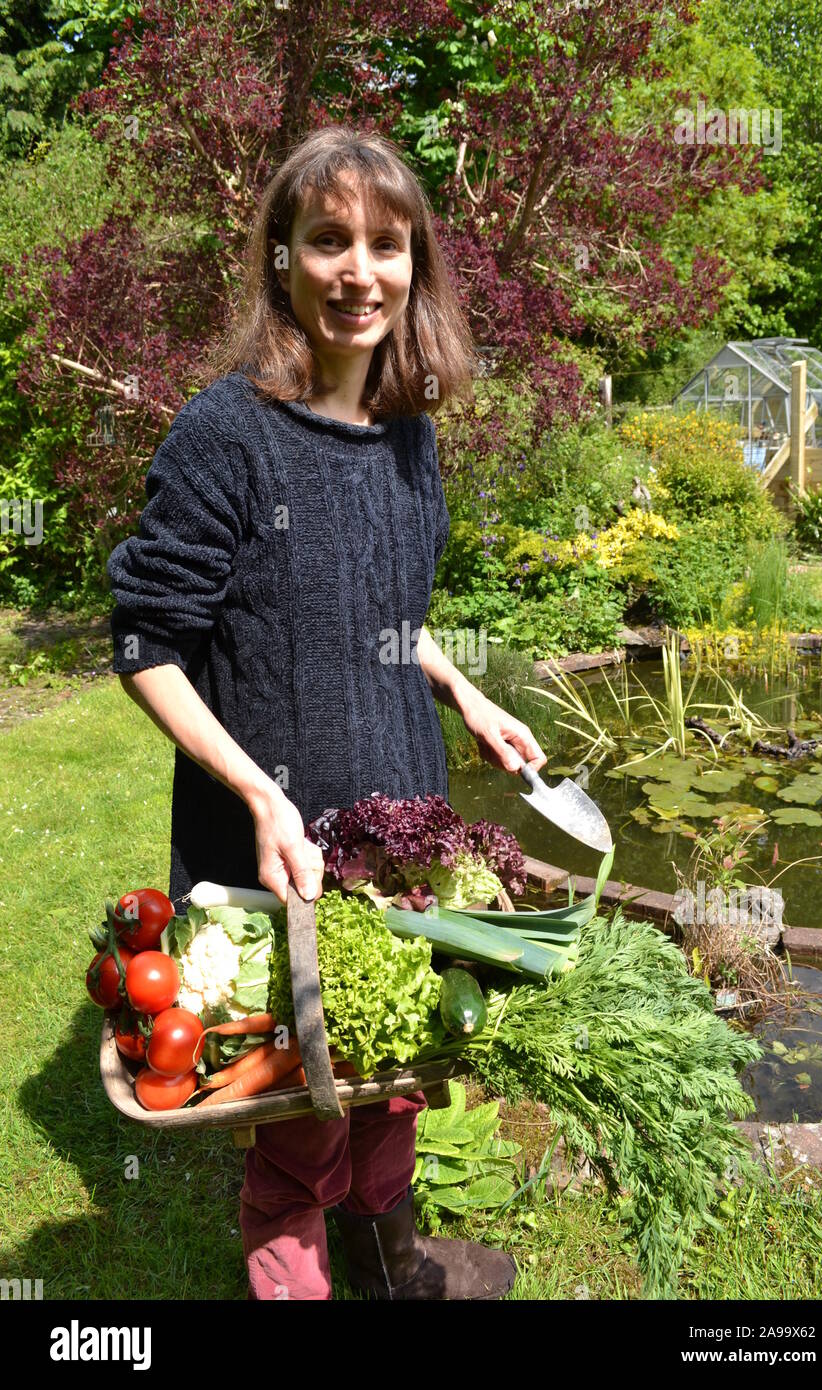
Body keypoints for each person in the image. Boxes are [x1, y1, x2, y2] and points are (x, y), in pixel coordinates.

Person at [107, 125, 548, 1301]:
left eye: (386, 244)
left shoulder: (409, 435)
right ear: (281, 260)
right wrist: (256, 793)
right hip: (279, 848)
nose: (360, 271)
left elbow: (384, 610)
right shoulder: (225, 437)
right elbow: (146, 641)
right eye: (328, 239)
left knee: (394, 1073)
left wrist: (463, 687)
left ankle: (392, 1261)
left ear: (417, 266)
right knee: (301, 1121)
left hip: (401, 822)